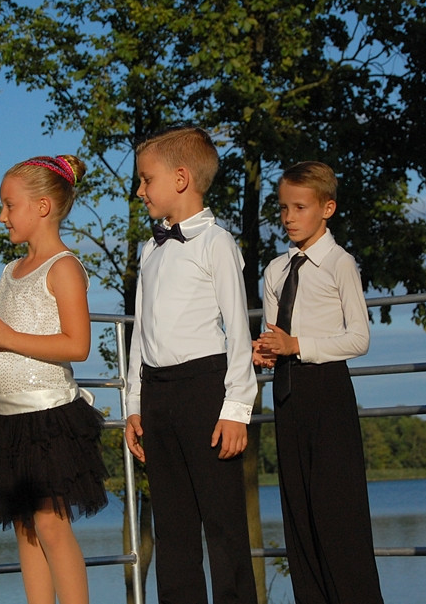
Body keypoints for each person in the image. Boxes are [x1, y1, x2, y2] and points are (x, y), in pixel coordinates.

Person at [124, 127, 258, 604]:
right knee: (173, 529)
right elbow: (141, 332)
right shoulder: (150, 249)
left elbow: (238, 330)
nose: (139, 191)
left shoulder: (217, 243)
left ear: (180, 178)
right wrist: (135, 404)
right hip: (157, 393)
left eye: (146, 179)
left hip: (206, 389)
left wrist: (237, 408)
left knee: (223, 526)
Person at [0, 154, 107, 604]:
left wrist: (7, 334)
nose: (1, 215)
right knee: (25, 527)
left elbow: (75, 345)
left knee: (50, 523)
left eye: (9, 205)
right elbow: (14, 339)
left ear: (42, 206)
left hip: (48, 417)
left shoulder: (64, 267)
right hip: (6, 418)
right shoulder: (9, 272)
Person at [253, 161, 385, 604]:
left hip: (328, 393)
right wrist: (267, 350)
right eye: (283, 208)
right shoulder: (274, 270)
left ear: (327, 208)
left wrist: (297, 346)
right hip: (287, 397)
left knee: (338, 515)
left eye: (300, 207)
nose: (289, 217)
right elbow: (275, 335)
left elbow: (360, 337)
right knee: (299, 515)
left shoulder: (339, 263)